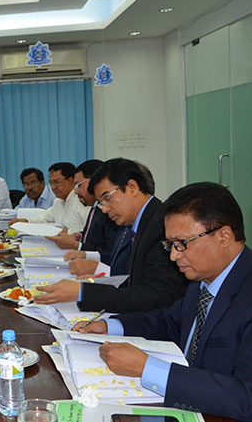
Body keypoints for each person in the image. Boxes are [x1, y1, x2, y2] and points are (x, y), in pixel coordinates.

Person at [74, 182, 251, 420]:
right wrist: (110, 326)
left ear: (224, 236)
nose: (174, 255)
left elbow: (245, 398)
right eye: (170, 245)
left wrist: (148, 368)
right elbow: (170, 322)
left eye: (182, 244)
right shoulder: (203, 279)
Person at [35, 158, 188, 313]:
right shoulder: (135, 222)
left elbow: (158, 295)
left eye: (107, 198)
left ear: (132, 187)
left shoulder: (162, 225)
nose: (105, 209)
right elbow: (132, 279)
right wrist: (97, 282)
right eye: (101, 202)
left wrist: (83, 292)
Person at [45, 160, 120, 276]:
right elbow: (94, 241)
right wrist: (78, 237)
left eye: (79, 185)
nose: (75, 192)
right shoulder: (95, 207)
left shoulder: (109, 212)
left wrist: (77, 246)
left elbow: (111, 253)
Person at [9, 163, 89, 233]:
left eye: (57, 182)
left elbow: (87, 231)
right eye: (51, 183)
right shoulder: (58, 201)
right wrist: (25, 221)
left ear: (71, 181)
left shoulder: (82, 201)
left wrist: (66, 232)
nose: (53, 187)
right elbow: (43, 219)